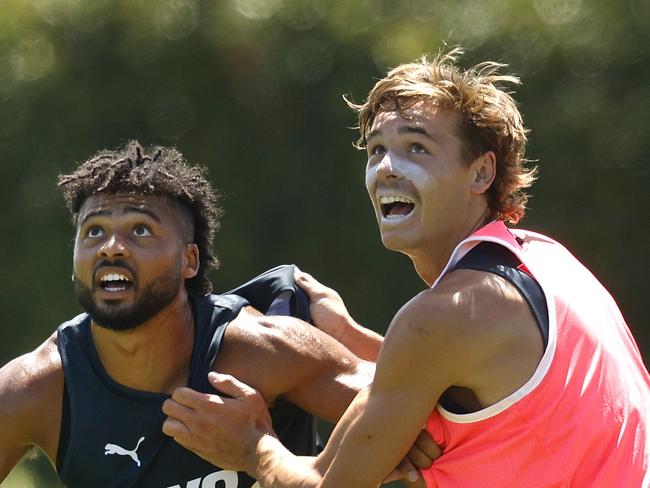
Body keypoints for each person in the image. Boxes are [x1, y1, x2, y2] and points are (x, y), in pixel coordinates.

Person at [162, 47, 650, 487]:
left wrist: (252, 448)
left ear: (481, 172)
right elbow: (471, 375)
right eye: (376, 151)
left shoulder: (440, 319)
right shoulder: (546, 257)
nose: (386, 168)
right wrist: (351, 335)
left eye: (416, 147)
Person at [0, 141, 436, 487]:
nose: (111, 247)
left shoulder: (262, 352)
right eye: (94, 231)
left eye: (139, 229)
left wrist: (347, 334)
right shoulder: (36, 389)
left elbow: (428, 419)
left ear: (189, 261)